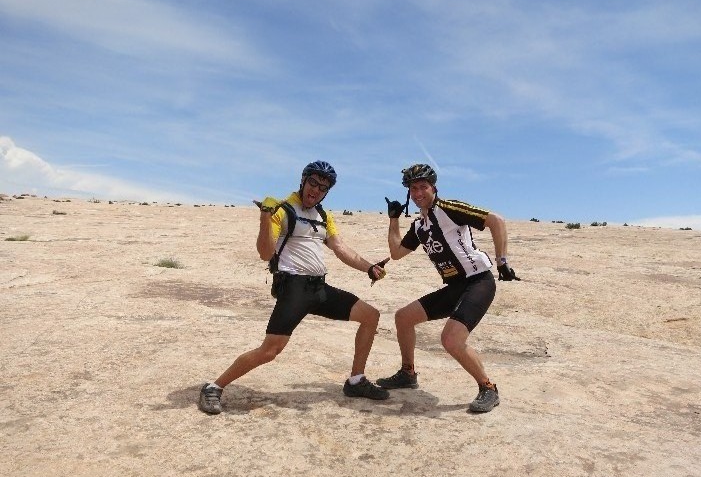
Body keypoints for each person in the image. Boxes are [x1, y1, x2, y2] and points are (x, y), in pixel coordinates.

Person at [199, 160, 390, 414]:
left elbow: (340, 248)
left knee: (370, 316)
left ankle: (356, 380)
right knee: (270, 351)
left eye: (323, 187)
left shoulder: (323, 216)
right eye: (313, 182)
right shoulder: (283, 210)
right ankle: (214, 387)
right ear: (303, 180)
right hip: (294, 290)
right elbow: (265, 253)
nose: (316, 190)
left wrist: (368, 267)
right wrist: (265, 217)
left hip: (319, 288)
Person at [376, 163, 519, 413]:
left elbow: (496, 221)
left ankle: (488, 388)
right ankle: (408, 374)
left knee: (451, 339)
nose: (418, 193)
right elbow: (396, 253)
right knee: (403, 318)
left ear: (433, 187)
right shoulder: (419, 226)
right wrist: (393, 220)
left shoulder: (449, 208)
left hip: (478, 282)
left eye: (423, 187)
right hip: (455, 286)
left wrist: (502, 261)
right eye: (412, 188)